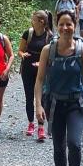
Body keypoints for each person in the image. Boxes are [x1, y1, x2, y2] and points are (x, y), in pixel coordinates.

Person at [34, 10, 83, 166]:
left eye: (68, 24)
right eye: (61, 24)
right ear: (56, 25)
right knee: (58, 145)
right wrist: (38, 105)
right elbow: (39, 81)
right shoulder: (48, 50)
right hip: (54, 103)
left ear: (75, 24)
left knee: (74, 143)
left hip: (76, 104)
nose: (65, 28)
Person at [17, 10, 53, 141]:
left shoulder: (50, 36)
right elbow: (20, 51)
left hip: (42, 69)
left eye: (33, 19)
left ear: (41, 22)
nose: (31, 21)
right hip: (27, 68)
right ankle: (31, 123)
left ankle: (41, 126)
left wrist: (43, 63)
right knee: (29, 96)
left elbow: (52, 56)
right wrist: (23, 55)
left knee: (42, 97)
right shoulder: (28, 33)